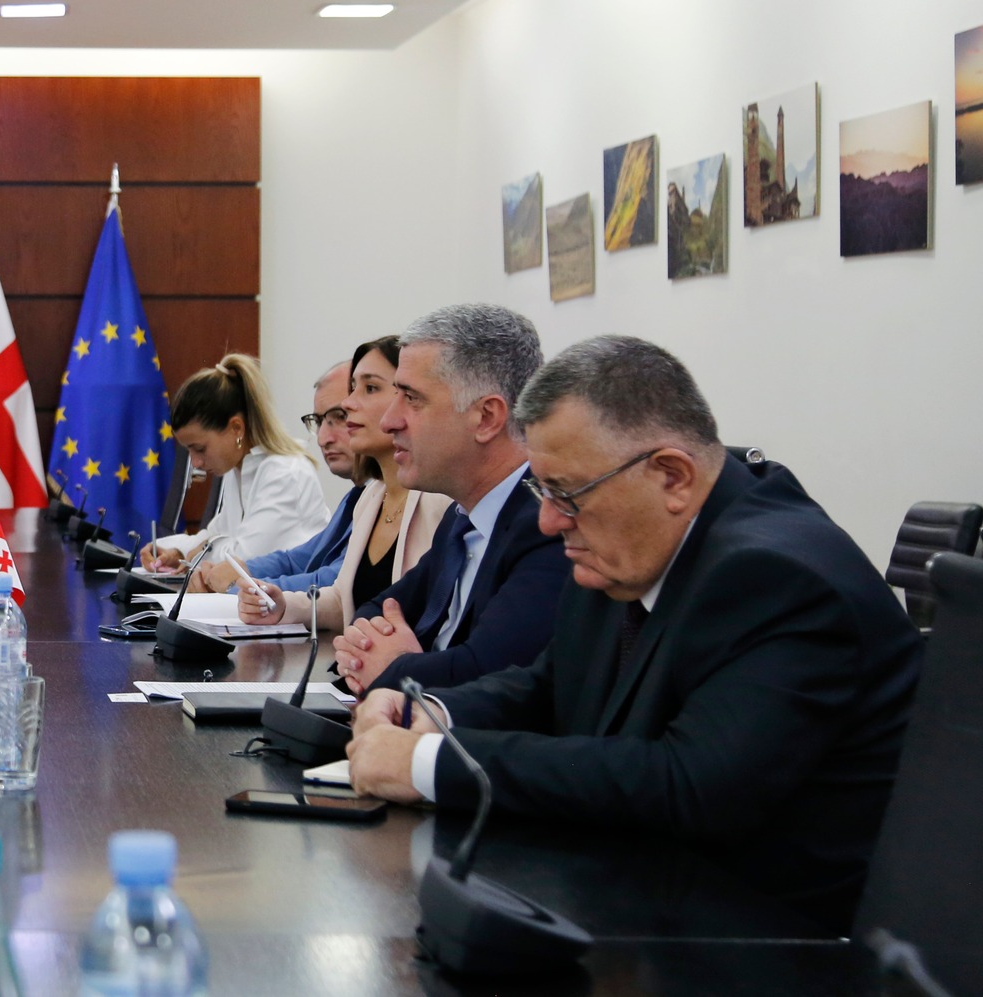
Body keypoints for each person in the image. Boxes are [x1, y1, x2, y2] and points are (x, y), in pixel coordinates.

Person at [345, 336, 922, 930]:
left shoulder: (777, 576)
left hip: (771, 937)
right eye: (542, 490)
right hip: (644, 894)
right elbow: (551, 684)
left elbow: (691, 785)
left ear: (672, 476)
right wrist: (429, 713)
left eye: (566, 493)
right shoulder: (627, 540)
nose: (548, 520)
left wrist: (432, 762)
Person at [331, 304, 568, 693]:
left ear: (486, 418)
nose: (390, 421)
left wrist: (400, 667)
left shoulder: (548, 524)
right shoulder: (462, 518)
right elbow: (377, 609)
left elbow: (487, 675)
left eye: (412, 398)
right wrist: (384, 655)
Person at [249, 336, 453, 634]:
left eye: (370, 388)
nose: (348, 403)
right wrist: (283, 606)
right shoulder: (371, 496)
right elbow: (345, 601)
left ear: (410, 397)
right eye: (353, 387)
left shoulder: (441, 499)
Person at [138, 354, 330, 573]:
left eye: (199, 448)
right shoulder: (239, 468)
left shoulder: (285, 473)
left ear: (236, 428)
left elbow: (243, 559)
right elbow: (216, 534)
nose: (196, 462)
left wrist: (201, 551)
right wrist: (176, 550)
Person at [191, 360, 355, 603]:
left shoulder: (285, 471)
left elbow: (334, 581)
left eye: (340, 416)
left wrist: (237, 585)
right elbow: (294, 559)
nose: (322, 439)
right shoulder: (361, 497)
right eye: (319, 421)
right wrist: (242, 570)